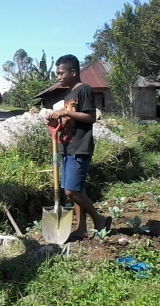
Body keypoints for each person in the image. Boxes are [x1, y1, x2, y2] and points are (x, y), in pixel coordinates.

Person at [47, 54, 112, 240]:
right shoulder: (69, 94)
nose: (59, 77)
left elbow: (91, 117)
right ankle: (81, 228)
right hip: (67, 146)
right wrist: (56, 119)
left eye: (61, 73)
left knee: (71, 191)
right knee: (77, 190)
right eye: (57, 73)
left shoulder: (84, 90)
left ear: (73, 72)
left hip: (80, 146)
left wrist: (66, 111)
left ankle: (99, 219)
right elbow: (70, 118)